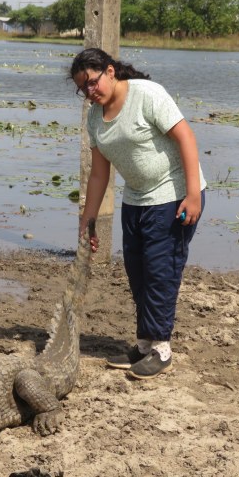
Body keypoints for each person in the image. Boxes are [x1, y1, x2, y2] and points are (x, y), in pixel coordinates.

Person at [70, 48, 207, 380]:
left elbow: (186, 137)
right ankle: (145, 344)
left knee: (161, 269)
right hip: (136, 200)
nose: (90, 92)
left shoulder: (148, 95)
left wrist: (192, 194)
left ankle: (162, 348)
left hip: (173, 195)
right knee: (137, 270)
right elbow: (100, 173)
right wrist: (88, 219)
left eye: (92, 82)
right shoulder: (94, 116)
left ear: (111, 71)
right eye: (83, 89)